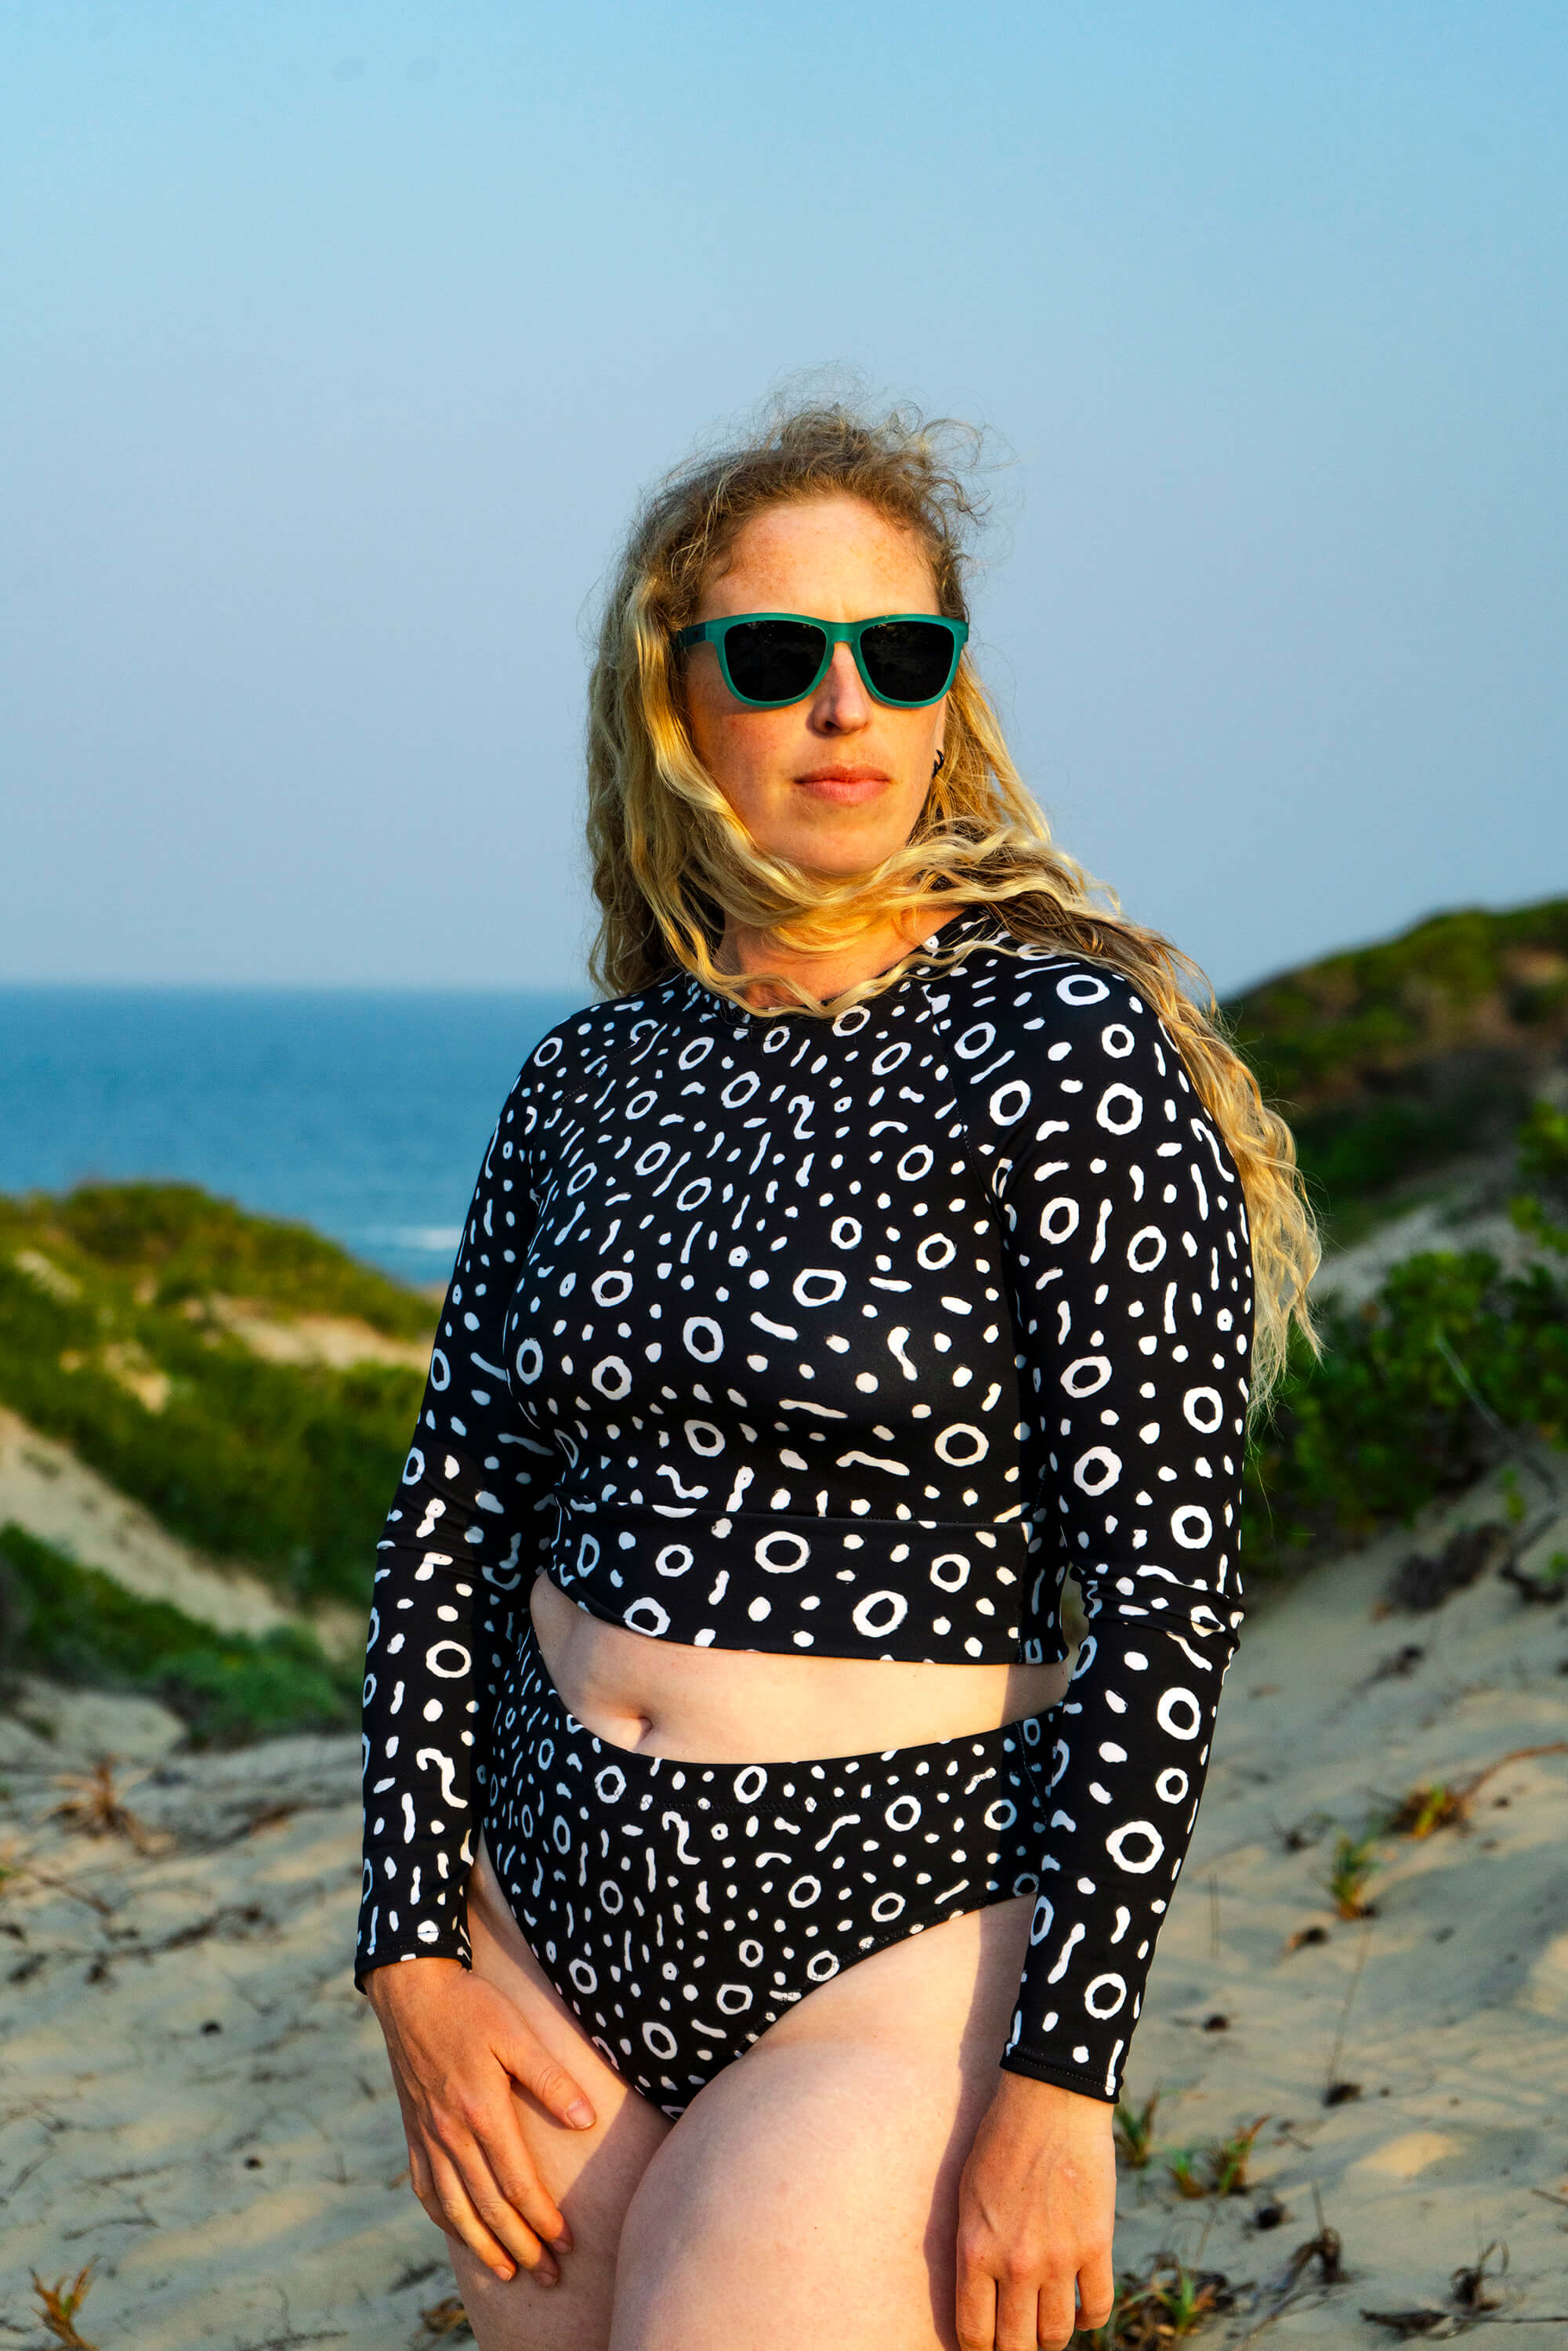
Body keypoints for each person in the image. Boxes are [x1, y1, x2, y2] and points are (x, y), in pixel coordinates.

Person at [353, 400, 1318, 2351]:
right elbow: (447, 1524)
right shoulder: (584, 1079)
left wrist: (1060, 2082)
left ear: (949, 692)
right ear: (675, 698)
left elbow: (1164, 1598)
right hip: (541, 1921)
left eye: (899, 650)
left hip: (892, 1936)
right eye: (780, 653)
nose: (843, 702)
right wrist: (409, 1959)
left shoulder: (1061, 1051)